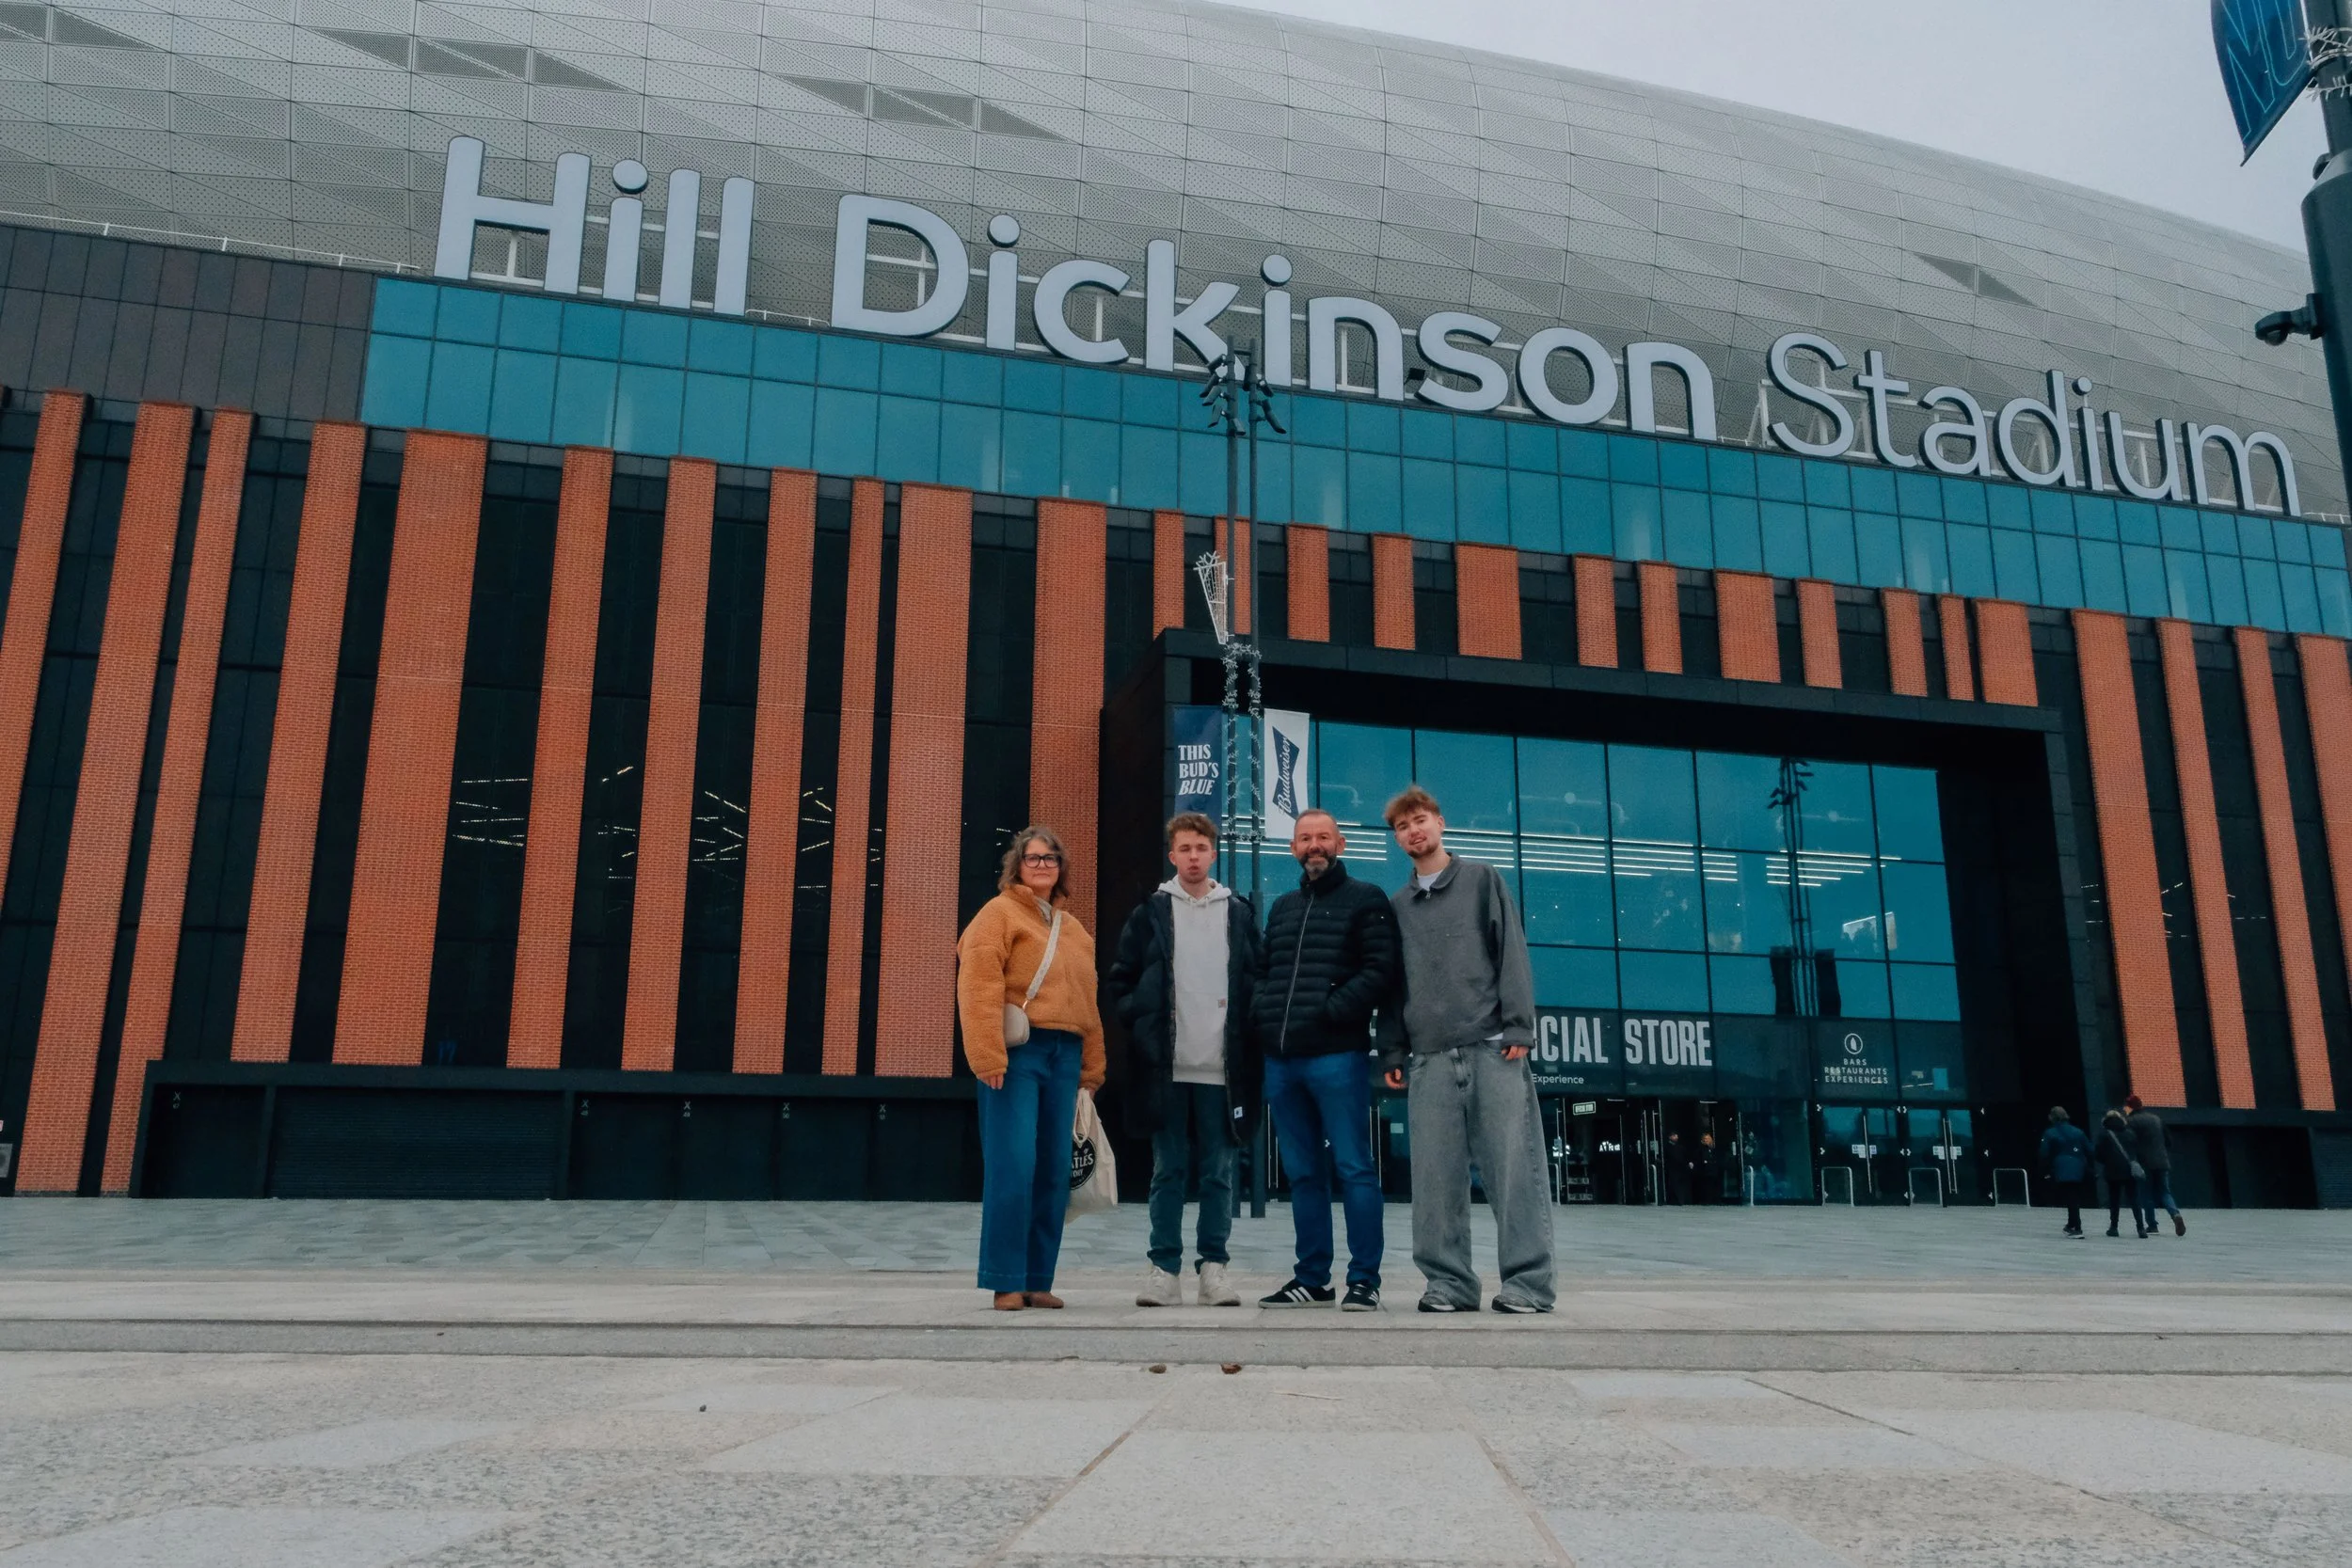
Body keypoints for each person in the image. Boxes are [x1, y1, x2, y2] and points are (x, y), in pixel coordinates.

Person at [1381, 785, 1554, 1315]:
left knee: (1513, 1170)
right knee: (1434, 1179)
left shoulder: (1482, 880)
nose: (1414, 831)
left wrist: (1519, 1027)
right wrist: (1393, 1051)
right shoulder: (1398, 906)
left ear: (1440, 823)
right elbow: (1392, 985)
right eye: (1403, 826)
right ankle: (1449, 1284)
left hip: (1491, 1048)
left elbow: (1512, 953)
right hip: (1430, 1058)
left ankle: (1529, 1285)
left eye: (1421, 820)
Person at [1106, 812, 1263, 1308]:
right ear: (1172, 856)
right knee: (1167, 1171)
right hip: (1165, 1070)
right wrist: (1143, 1021)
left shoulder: (1238, 912)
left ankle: (1213, 1270)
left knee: (1219, 1173)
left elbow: (1257, 980)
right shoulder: (1150, 912)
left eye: (1201, 847)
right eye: (1184, 849)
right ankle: (1163, 1270)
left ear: (1212, 852)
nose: (1193, 856)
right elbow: (1119, 981)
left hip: (1222, 1070)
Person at [1252, 808, 1401, 1311]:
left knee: (1354, 1166)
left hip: (1337, 1055)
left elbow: (1381, 970)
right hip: (1283, 1059)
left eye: (1322, 837)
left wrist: (1330, 1011)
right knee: (1302, 1173)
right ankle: (1312, 1278)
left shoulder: (1367, 899)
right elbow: (1263, 971)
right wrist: (1264, 1016)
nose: (1313, 846)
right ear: (1293, 848)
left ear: (1339, 843)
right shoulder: (1284, 907)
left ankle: (1365, 1279)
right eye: (1304, 838)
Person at [956, 826, 1105, 1312]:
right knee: (1013, 1164)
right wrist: (986, 1053)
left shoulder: (1076, 931)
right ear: (1016, 866)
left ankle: (1038, 1278)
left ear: (1060, 868)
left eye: (1050, 859)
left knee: (1052, 1170)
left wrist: (1092, 1068)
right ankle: (1004, 1281)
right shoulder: (997, 914)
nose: (1042, 866)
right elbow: (977, 981)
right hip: (1017, 1053)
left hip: (1065, 1054)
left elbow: (1089, 1000)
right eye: (1033, 858)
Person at [2125, 1094, 2185, 1236]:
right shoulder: (2156, 1118)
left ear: (2130, 1107)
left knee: (2146, 1194)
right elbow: (2168, 1140)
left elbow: (2130, 1142)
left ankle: (2152, 1225)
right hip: (2162, 1161)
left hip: (2144, 1162)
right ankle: (2175, 1214)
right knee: (2165, 1191)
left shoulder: (2131, 1121)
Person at [2037, 1105, 2093, 1238]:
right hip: (2079, 1166)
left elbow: (2044, 1153)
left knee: (2070, 1196)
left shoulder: (2050, 1133)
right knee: (2073, 1195)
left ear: (2052, 1117)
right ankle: (2071, 1224)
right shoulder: (2078, 1132)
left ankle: (2076, 1227)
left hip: (2061, 1167)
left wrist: (2045, 1169)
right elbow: (2090, 1149)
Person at [2094, 1108, 2143, 1237]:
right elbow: (2137, 1151)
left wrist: (2107, 1161)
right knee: (2134, 1199)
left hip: (2112, 1171)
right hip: (2129, 1170)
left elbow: (2098, 1154)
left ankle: (2114, 1227)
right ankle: (2141, 1228)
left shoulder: (2104, 1135)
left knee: (2114, 1200)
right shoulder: (2130, 1133)